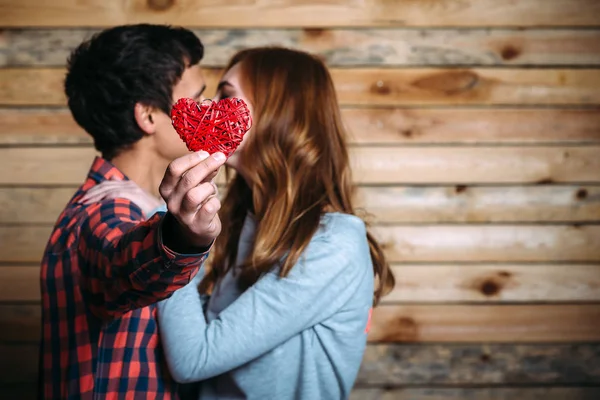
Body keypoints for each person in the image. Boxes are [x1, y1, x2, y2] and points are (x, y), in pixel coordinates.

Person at [86, 46, 396, 399]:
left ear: (280, 112)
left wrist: (165, 222)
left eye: (226, 95)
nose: (207, 106)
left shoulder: (333, 244)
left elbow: (194, 358)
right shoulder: (248, 222)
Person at [38, 24, 226, 399]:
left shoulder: (124, 202)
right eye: (198, 98)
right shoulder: (102, 211)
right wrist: (182, 237)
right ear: (149, 116)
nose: (211, 111)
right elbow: (123, 263)